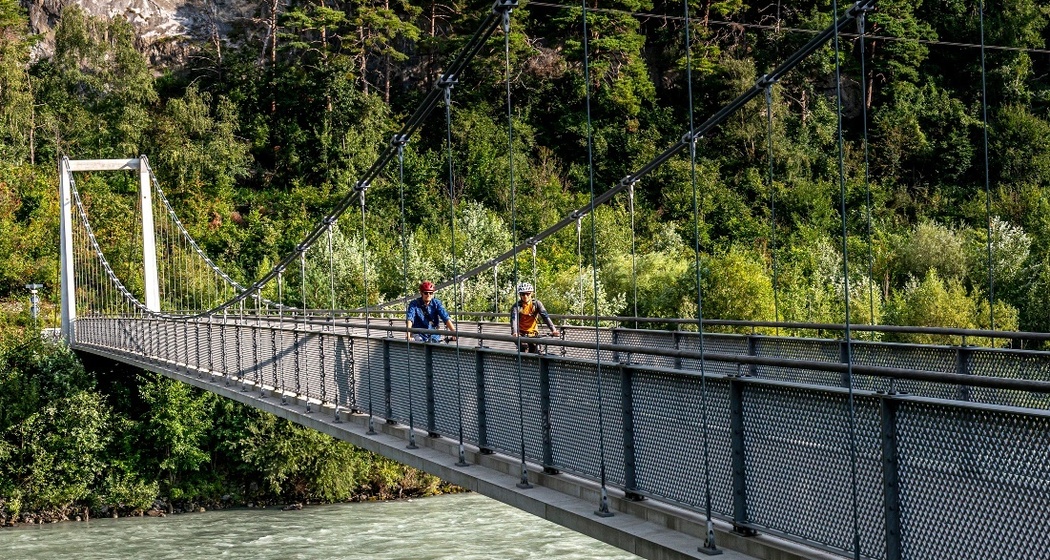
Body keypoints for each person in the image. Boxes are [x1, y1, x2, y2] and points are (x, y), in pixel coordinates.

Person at [510, 282, 560, 354]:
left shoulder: (536, 304)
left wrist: (554, 330)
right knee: (523, 349)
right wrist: (515, 332)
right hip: (521, 334)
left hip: (533, 333)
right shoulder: (516, 306)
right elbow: (514, 320)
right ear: (520, 295)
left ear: (531, 294)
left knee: (535, 352)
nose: (525, 296)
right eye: (523, 294)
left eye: (528, 294)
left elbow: (545, 316)